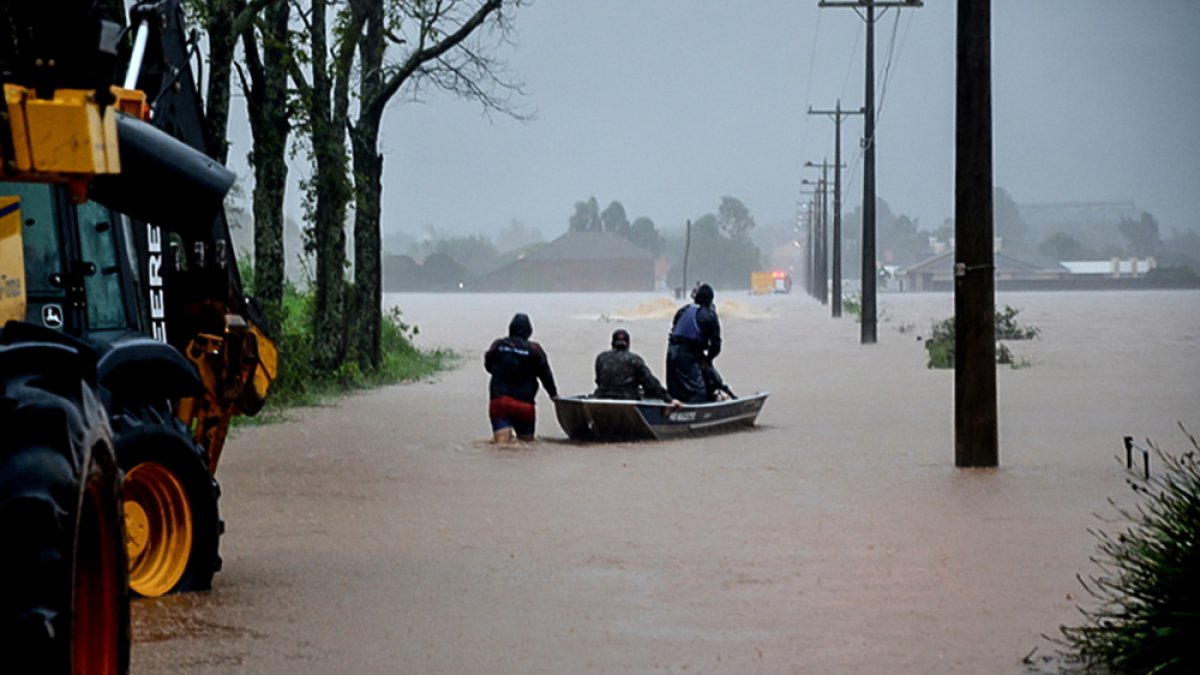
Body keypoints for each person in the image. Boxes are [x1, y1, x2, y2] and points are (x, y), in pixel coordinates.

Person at [484, 313, 558, 443]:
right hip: (525, 405)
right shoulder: (535, 350)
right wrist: (554, 396)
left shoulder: (498, 345)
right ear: (529, 332)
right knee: (527, 445)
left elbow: (488, 365)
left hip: (500, 401)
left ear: (510, 329)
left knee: (501, 444)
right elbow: (546, 376)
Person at [594, 329, 681, 406]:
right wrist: (669, 399)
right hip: (628, 400)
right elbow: (650, 383)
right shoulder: (634, 360)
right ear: (628, 344)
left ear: (612, 344)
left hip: (602, 397)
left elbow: (598, 381)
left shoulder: (601, 358)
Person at [666, 282, 722, 403]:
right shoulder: (710, 315)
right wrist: (707, 360)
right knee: (698, 392)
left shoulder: (682, 310)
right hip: (688, 355)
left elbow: (675, 330)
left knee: (674, 390)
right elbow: (716, 344)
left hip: (671, 352)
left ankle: (673, 405)